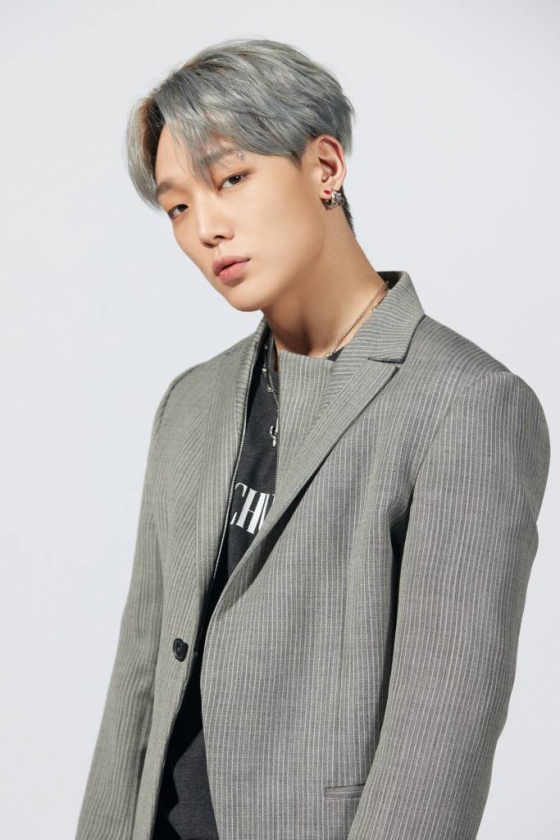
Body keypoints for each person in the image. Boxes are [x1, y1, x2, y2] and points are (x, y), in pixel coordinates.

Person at [75, 37, 551, 840]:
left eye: (230, 178)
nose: (206, 228)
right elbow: (139, 686)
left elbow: (437, 749)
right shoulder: (190, 404)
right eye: (178, 206)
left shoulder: (467, 406)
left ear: (324, 167)